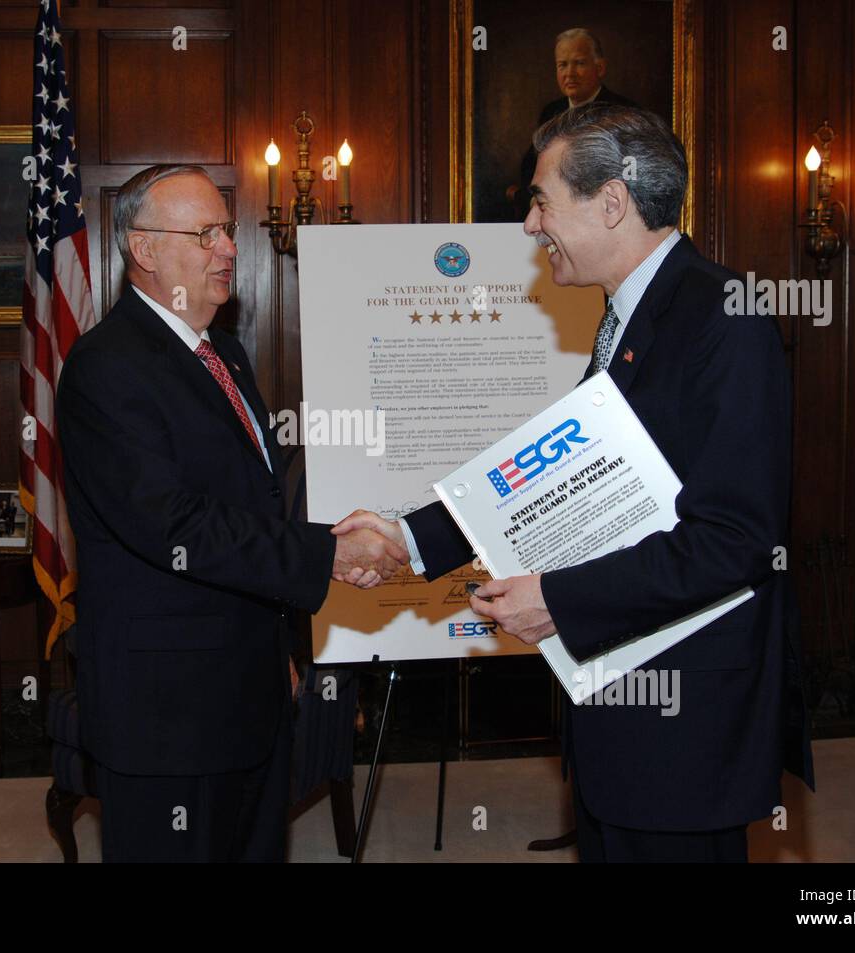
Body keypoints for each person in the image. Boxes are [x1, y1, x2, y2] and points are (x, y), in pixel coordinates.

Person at [337, 104, 812, 862]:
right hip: (617, 695)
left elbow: (736, 541)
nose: (529, 224)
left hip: (684, 720)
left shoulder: (727, 316)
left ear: (612, 202)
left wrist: (557, 598)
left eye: (541, 200)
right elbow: (553, 477)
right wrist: (407, 536)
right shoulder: (630, 315)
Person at [56, 163, 406, 862]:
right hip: (166, 714)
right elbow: (176, 525)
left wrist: (279, 649)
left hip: (248, 692)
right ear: (145, 250)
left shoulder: (227, 354)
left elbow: (251, 503)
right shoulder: (106, 368)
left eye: (227, 229)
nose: (227, 248)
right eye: (205, 232)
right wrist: (326, 554)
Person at [509, 28, 635, 220]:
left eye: (579, 63)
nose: (570, 73)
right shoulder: (551, 112)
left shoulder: (623, 112)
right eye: (562, 65)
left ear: (600, 68)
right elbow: (531, 168)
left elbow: (629, 173)